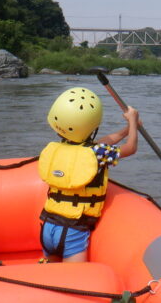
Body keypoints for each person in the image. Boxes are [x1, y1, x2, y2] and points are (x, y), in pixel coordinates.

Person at [37, 86, 139, 263]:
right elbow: (131, 148)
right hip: (73, 230)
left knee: (51, 271)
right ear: (92, 126)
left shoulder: (56, 148)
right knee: (76, 282)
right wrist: (133, 121)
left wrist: (128, 128)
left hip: (47, 226)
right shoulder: (97, 153)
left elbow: (102, 142)